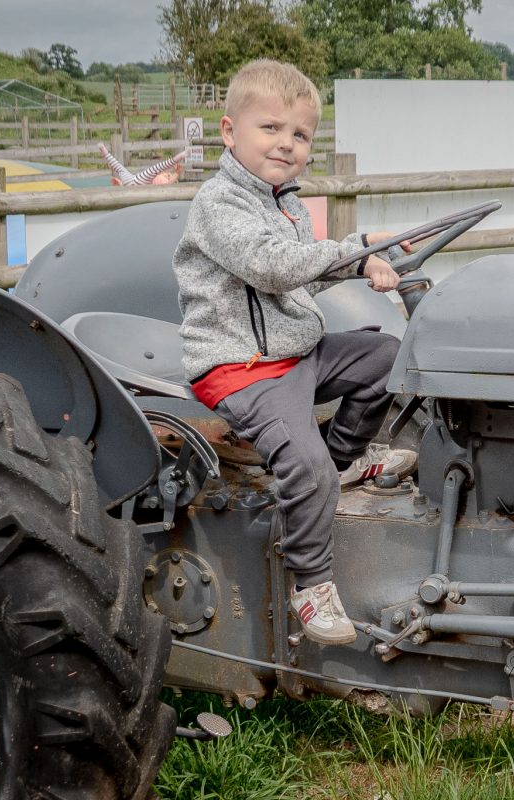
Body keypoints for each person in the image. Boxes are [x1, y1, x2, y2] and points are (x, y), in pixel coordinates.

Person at [173, 59, 417, 646]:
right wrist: (354, 253)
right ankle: (311, 586)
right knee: (301, 466)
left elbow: (300, 280)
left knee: (386, 359)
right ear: (230, 132)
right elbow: (271, 265)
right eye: (271, 129)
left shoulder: (284, 202)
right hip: (242, 369)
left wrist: (364, 250)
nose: (286, 144)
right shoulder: (220, 203)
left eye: (300, 135)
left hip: (292, 353)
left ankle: (341, 463)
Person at [98, 143, 188, 185]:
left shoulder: (163, 180)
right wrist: (176, 173)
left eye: (169, 176)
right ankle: (105, 153)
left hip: (137, 181)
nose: (169, 175)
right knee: (119, 168)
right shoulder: (160, 177)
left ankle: (105, 153)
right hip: (133, 180)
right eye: (169, 175)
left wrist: (176, 173)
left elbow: (168, 183)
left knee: (156, 168)